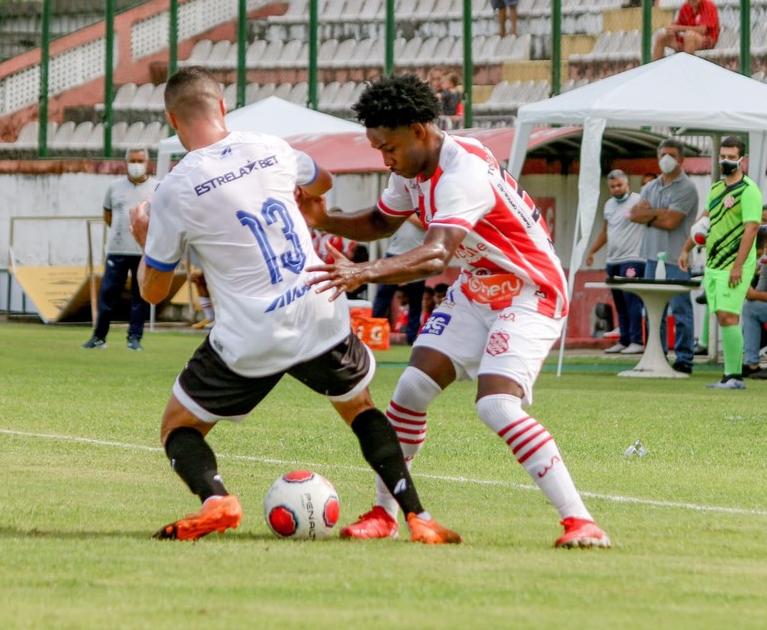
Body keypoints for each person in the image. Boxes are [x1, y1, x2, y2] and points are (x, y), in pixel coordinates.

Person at [130, 66, 459, 544]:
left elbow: (152, 293)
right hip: (318, 306)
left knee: (179, 426)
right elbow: (322, 182)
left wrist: (146, 240)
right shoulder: (270, 146)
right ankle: (418, 516)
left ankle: (215, 498)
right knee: (360, 408)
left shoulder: (174, 190)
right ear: (223, 107)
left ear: (173, 121)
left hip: (251, 335)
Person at [297, 74, 609, 549]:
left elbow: (437, 254)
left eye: (390, 147)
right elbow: (382, 220)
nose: (386, 159)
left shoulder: (461, 171)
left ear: (420, 130)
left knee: (497, 405)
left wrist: (366, 272)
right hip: (477, 287)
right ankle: (384, 513)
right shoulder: (412, 169)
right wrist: (325, 220)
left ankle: (581, 521)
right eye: (378, 148)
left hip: (530, 291)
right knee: (410, 389)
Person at [677, 136, 762, 389]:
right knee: (721, 316)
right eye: (722, 155)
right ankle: (730, 375)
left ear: (742, 160)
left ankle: (734, 376)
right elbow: (704, 222)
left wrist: (738, 265)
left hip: (734, 264)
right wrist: (686, 249)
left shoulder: (749, 190)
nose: (725, 161)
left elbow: (752, 228)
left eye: (731, 157)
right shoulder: (715, 189)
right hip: (714, 263)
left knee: (728, 315)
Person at [630, 138, 699, 374]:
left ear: (681, 159)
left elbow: (672, 221)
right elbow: (634, 215)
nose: (666, 159)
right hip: (651, 256)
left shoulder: (687, 187)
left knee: (680, 310)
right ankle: (656, 357)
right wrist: (656, 213)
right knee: (652, 309)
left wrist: (649, 214)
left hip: (677, 258)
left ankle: (684, 359)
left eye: (670, 154)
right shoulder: (650, 186)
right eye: (662, 155)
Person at [82, 148, 158, 351]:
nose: (136, 164)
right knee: (108, 293)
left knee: (139, 296)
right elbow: (108, 215)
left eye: (140, 160)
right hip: (117, 249)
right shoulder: (114, 187)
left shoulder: (157, 187)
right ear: (126, 162)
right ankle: (99, 337)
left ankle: (134, 338)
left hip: (143, 251)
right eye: (132, 160)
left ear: (147, 163)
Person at [584, 170, 646, 355]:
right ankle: (624, 339)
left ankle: (637, 340)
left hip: (633, 258)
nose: (616, 189)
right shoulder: (609, 205)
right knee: (619, 302)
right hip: (613, 260)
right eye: (613, 186)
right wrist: (593, 251)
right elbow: (606, 231)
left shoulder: (638, 201)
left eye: (619, 185)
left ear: (627, 184)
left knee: (632, 300)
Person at [372, 217, 427, 345]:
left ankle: (411, 338)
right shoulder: (399, 204)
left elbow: (427, 224)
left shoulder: (424, 207)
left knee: (415, 299)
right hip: (395, 252)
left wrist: (407, 215)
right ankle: (373, 332)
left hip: (418, 254)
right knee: (383, 295)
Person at [652, 0, 720, 60]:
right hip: (686, 41)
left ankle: (688, 69)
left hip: (706, 40)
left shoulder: (708, 5)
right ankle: (655, 68)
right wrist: (672, 30)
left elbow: (702, 30)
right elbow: (677, 26)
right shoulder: (685, 7)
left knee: (689, 35)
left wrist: (679, 28)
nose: (691, 1)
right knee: (661, 36)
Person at [741, 227, 767, 380]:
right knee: (750, 307)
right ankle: (752, 365)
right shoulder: (764, 261)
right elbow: (758, 291)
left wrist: (754, 294)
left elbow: (756, 293)